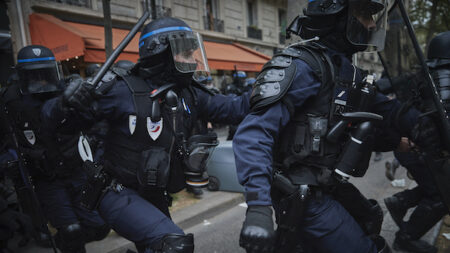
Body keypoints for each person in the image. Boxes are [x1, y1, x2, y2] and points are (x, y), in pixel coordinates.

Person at [233, 0, 443, 252]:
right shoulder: (303, 66)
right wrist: (258, 207)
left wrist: (424, 126)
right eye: (365, 14)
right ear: (336, 16)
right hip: (300, 190)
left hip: (325, 183)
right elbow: (253, 134)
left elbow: (389, 111)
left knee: (369, 220)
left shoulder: (345, 71)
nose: (373, 23)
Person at [41, 17, 250, 252]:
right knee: (173, 244)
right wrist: (65, 103)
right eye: (186, 54)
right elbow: (56, 122)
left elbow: (236, 108)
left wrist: (275, 85)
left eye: (193, 53)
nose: (193, 60)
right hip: (116, 191)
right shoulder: (120, 89)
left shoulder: (189, 93)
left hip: (154, 192)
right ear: (160, 53)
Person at [0, 45, 110, 253]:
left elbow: (93, 122)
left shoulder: (66, 92)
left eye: (46, 74)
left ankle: (64, 243)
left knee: (100, 226)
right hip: (45, 177)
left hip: (75, 170)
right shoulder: (10, 101)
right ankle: (69, 241)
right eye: (35, 76)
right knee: (71, 229)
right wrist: (9, 158)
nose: (42, 81)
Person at [383, 31, 450, 253]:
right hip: (417, 148)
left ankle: (399, 202)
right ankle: (405, 239)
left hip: (414, 147)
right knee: (443, 197)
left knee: (438, 188)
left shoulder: (424, 75)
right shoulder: (442, 78)